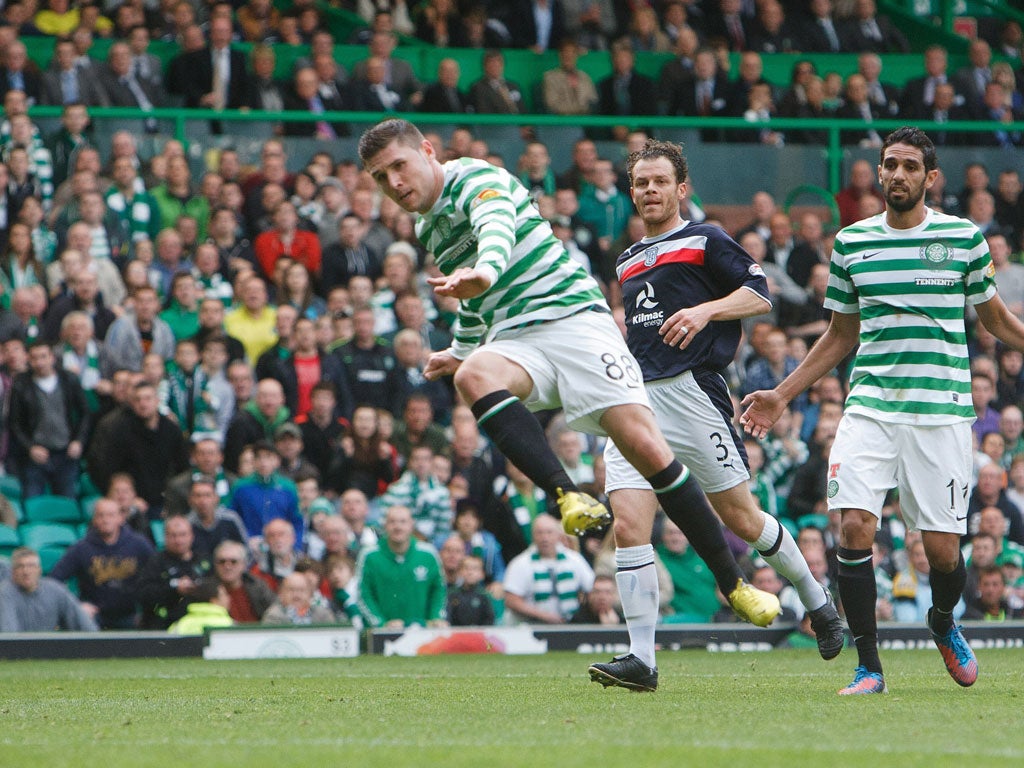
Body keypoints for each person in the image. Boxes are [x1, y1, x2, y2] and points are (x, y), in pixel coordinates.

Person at [358, 118, 778, 651]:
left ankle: (734, 583)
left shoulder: (478, 180)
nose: (394, 183)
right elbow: (470, 297)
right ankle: (566, 494)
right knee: (474, 376)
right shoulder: (428, 227)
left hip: (576, 321)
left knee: (647, 449)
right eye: (379, 177)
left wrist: (485, 273)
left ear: (427, 151)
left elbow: (493, 233)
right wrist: (461, 349)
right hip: (518, 335)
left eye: (399, 166)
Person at [739, 126, 1024, 694]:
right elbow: (840, 334)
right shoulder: (851, 242)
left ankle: (943, 621)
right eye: (889, 164)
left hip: (940, 413)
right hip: (869, 407)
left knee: (943, 553)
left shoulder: (962, 239)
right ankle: (869, 665)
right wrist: (782, 393)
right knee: (854, 525)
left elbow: (992, 319)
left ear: (930, 178)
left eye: (909, 167)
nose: (897, 174)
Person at [586, 139, 842, 692]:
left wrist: (706, 310)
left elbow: (760, 295)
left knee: (742, 520)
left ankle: (818, 601)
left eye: (659, 182)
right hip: (636, 400)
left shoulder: (706, 238)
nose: (649, 191)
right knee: (630, 525)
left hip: (694, 393)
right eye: (640, 183)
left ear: (681, 188)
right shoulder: (628, 259)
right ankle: (641, 660)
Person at [49, 497, 155, 629]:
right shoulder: (81, 548)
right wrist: (76, 605)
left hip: (132, 615)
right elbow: (54, 581)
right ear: (94, 519)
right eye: (101, 515)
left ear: (121, 518)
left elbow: (156, 574)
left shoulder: (139, 544)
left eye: (110, 515)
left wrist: (145, 609)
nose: (105, 520)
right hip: (94, 617)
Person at [355, 505, 447, 628]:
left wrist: (436, 617)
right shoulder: (369, 555)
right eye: (392, 522)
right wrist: (381, 624)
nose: (397, 527)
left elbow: (439, 590)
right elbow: (363, 594)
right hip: (380, 636)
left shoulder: (428, 554)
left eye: (403, 522)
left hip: (422, 634)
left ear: (411, 525)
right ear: (384, 525)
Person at [137, 514, 211, 629]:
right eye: (173, 535)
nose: (178, 540)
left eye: (182, 535)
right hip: (163, 625)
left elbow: (214, 589)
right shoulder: (155, 562)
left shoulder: (204, 562)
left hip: (197, 625)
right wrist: (174, 589)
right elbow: (144, 594)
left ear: (191, 536)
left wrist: (197, 588)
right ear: (165, 537)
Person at [0, 547, 99, 632]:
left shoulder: (55, 590)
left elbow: (86, 627)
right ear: (12, 572)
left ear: (39, 570)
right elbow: (9, 635)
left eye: (31, 566)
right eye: (20, 567)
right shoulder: (4, 593)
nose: (26, 572)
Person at [168, 578, 235, 634]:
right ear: (214, 600)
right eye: (224, 594)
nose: (228, 598)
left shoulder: (180, 624)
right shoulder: (230, 626)